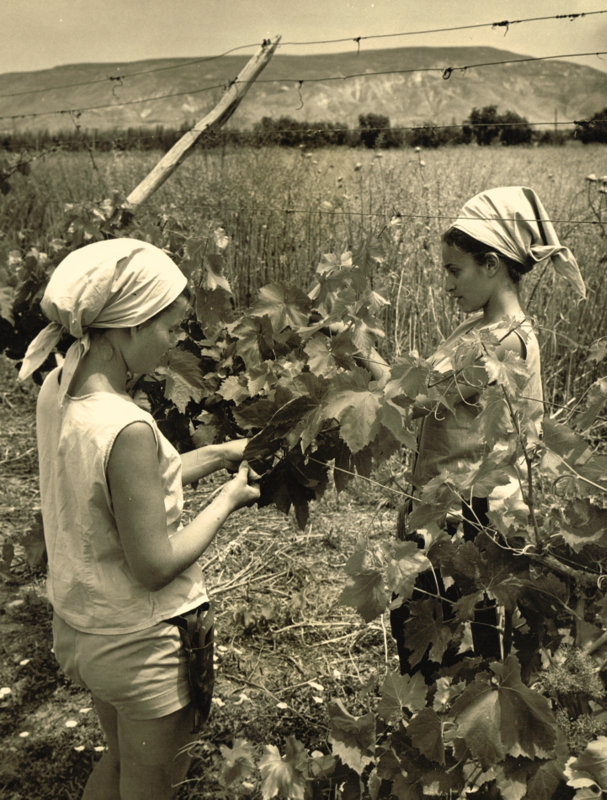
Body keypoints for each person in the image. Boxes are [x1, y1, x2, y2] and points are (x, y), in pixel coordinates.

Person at [18, 238, 260, 800]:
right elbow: (153, 565)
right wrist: (228, 500)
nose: (176, 342)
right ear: (126, 326)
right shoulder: (126, 427)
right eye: (168, 329)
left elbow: (131, 491)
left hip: (88, 629)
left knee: (123, 762)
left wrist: (223, 453)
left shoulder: (59, 387)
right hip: (140, 641)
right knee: (152, 788)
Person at [362, 186, 585, 677]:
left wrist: (363, 352)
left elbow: (414, 403)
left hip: (468, 522)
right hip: (447, 510)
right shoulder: (481, 329)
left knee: (454, 652)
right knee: (437, 641)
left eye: (453, 270)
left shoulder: (498, 344)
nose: (446, 285)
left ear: (492, 264)